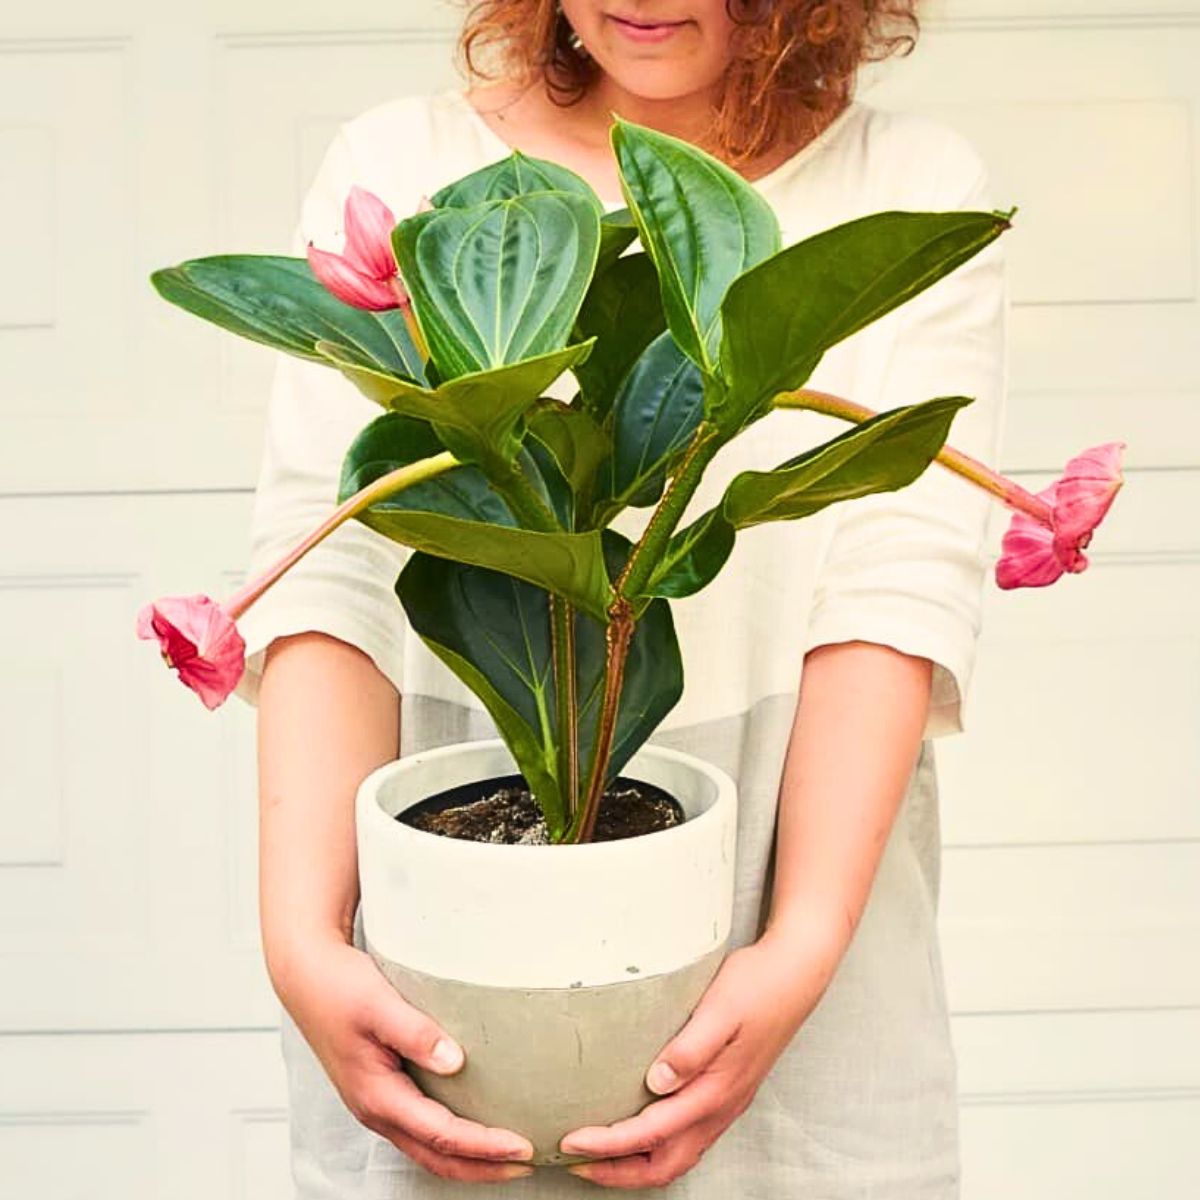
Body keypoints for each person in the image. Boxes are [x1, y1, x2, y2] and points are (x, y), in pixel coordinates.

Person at [234, 1, 1007, 1195]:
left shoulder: (905, 187)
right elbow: (333, 570)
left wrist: (794, 953)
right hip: (450, 939)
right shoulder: (409, 170)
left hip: (786, 925)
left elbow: (894, 595)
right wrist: (299, 943)